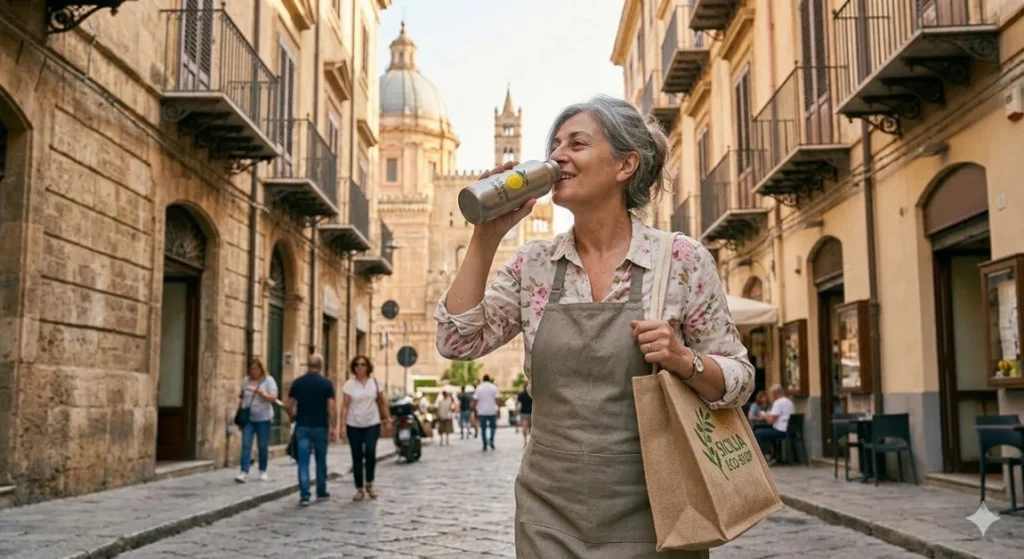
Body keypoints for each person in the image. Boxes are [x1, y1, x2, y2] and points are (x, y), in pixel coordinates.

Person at [433, 95, 754, 557]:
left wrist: (685, 360)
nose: (558, 155)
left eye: (577, 143)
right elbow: (455, 340)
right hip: (549, 512)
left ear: (625, 165)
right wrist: (486, 236)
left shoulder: (680, 260)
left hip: (661, 510)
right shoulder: (535, 265)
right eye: (556, 143)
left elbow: (739, 381)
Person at [286, 353, 336, 506]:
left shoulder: (298, 383)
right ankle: (321, 491)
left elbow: (288, 404)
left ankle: (304, 495)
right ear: (321, 366)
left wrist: (292, 417)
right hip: (321, 426)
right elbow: (332, 407)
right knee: (321, 460)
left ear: (307, 365)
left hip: (302, 426)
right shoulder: (326, 384)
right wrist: (333, 426)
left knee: (303, 462)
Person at [340, 355, 390, 501]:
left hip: (372, 423)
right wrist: (341, 427)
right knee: (356, 456)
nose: (359, 367)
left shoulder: (375, 383)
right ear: (353, 368)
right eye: (356, 365)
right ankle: (359, 488)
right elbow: (344, 406)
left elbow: (383, 402)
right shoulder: (349, 385)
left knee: (370, 452)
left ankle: (369, 483)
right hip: (353, 424)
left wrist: (387, 418)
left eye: (362, 364)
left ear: (368, 366)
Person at [235, 358, 278, 483]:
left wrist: (261, 393)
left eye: (255, 368)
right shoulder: (246, 380)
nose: (253, 371)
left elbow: (273, 398)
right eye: (251, 368)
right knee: (246, 444)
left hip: (263, 419)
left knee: (262, 445)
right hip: (248, 418)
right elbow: (242, 395)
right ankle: (244, 472)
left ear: (261, 369)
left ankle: (262, 470)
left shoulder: (268, 381)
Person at [753, 384, 795, 466]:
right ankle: (772, 456)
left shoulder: (778, 403)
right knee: (761, 431)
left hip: (781, 430)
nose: (770, 396)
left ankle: (764, 458)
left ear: (775, 394)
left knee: (758, 433)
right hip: (789, 429)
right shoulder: (789, 402)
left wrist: (764, 416)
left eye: (771, 394)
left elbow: (771, 421)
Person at [472, 375, 501, 451]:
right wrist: (499, 409)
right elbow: (497, 400)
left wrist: (474, 410)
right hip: (492, 410)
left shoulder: (479, 388)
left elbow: (475, 400)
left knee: (483, 429)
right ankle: (491, 440)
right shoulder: (494, 387)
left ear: (483, 380)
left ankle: (484, 444)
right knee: (493, 427)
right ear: (489, 379)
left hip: (482, 411)